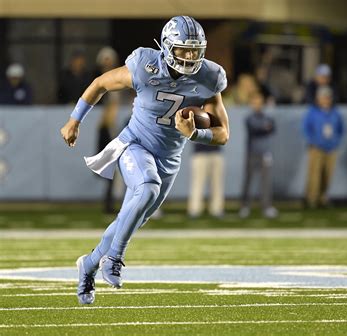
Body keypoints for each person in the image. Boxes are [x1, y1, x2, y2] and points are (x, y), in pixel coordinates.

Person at [60, 16, 229, 305]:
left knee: (133, 217)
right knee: (147, 187)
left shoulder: (209, 77)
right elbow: (100, 83)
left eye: (195, 50)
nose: (190, 57)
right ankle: (114, 258)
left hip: (169, 159)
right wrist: (75, 120)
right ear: (166, 47)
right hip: (135, 144)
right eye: (183, 50)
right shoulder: (144, 65)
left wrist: (195, 133)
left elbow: (222, 133)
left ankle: (88, 265)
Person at [302, 86, 344, 208]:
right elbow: (306, 129)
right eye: (323, 97)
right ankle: (311, 199)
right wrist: (312, 141)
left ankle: (322, 197)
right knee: (314, 174)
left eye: (327, 97)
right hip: (316, 147)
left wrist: (336, 142)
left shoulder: (335, 113)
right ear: (318, 99)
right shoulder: (312, 112)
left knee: (327, 175)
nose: (325, 100)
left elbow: (341, 129)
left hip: (331, 148)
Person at [239, 92, 278, 218]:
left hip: (265, 152)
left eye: (259, 102)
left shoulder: (267, 117)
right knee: (248, 180)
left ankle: (266, 206)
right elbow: (256, 130)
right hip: (252, 152)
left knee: (266, 182)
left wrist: (266, 127)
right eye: (255, 102)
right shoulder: (249, 118)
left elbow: (272, 128)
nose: (257, 105)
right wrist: (265, 127)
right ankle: (245, 206)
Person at [95, 46, 122, 213]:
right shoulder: (100, 81)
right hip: (108, 130)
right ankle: (110, 202)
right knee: (110, 169)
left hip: (118, 128)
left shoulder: (120, 77)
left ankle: (114, 202)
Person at [187, 143, 225, 218]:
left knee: (217, 184)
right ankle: (195, 208)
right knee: (197, 184)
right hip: (200, 153)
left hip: (216, 152)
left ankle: (217, 208)